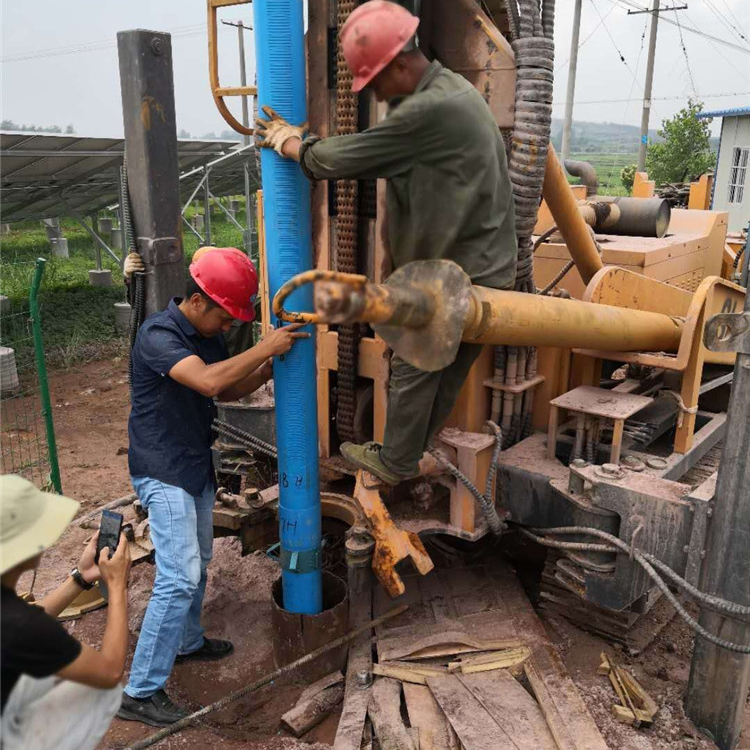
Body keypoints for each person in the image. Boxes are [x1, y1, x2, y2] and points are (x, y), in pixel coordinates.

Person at [255, 0, 517, 486]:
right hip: (490, 265)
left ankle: (395, 461)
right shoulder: (453, 89)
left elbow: (336, 159)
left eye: (374, 81)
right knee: (443, 366)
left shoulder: (425, 112)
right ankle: (409, 447)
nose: (373, 92)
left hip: (457, 273)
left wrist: (290, 143)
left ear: (399, 63)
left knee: (414, 356)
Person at [119, 247, 308, 726]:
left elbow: (224, 391)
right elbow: (205, 382)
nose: (229, 327)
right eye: (226, 318)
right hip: (162, 469)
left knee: (197, 564)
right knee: (179, 575)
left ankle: (187, 643)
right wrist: (264, 347)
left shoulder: (208, 336)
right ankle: (140, 690)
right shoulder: (158, 334)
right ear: (200, 301)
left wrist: (265, 370)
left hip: (193, 464)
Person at [0, 474, 131, 750]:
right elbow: (109, 672)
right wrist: (117, 586)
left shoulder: (14, 620)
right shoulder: (22, 628)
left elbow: (21, 624)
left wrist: (81, 578)